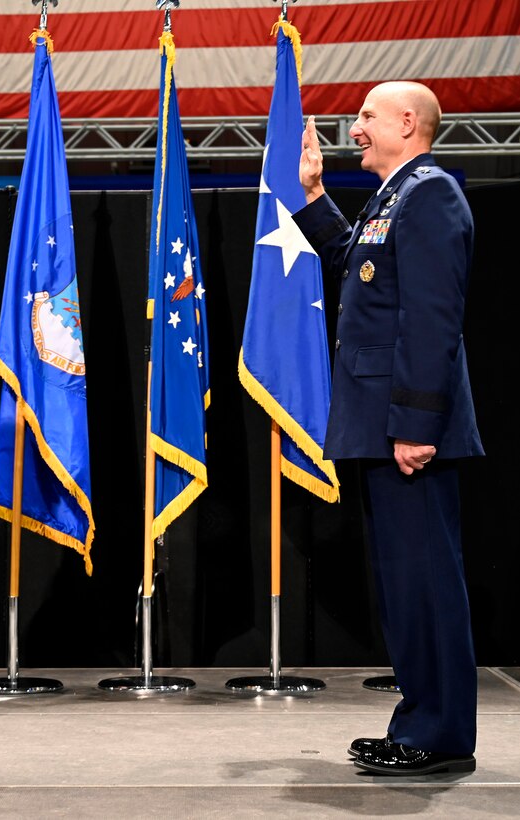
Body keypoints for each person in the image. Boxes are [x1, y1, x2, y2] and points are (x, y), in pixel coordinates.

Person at [293, 82, 484, 776]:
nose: (355, 129)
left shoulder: (430, 193)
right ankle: (420, 720)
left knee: (425, 581)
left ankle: (438, 734)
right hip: (383, 425)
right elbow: (355, 264)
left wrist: (413, 423)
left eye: (367, 116)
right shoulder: (395, 195)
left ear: (408, 122)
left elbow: (431, 321)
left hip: (407, 429)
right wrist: (313, 195)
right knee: (405, 584)